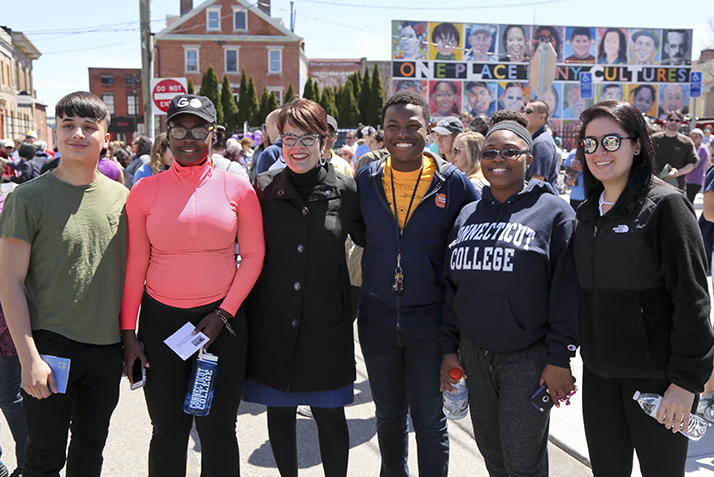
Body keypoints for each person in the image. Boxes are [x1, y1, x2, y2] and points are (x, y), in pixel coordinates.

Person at [120, 94, 265, 476]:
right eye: (179, 128)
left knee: (218, 431)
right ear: (166, 134)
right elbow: (136, 264)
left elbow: (253, 256)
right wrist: (128, 332)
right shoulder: (144, 192)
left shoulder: (238, 189)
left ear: (213, 135)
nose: (188, 137)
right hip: (160, 325)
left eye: (198, 129)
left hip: (222, 325)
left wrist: (223, 313)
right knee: (167, 431)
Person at [573, 100, 714, 477]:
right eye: (590, 143)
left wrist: (685, 383)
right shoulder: (586, 214)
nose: (599, 152)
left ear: (637, 145)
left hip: (659, 382)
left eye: (611, 141)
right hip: (600, 378)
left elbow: (693, 299)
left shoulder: (666, 205)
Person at [0, 91, 129, 477]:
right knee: (44, 458)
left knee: (91, 452)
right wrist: (29, 358)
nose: (78, 134)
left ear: (106, 138)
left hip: (106, 350)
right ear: (55, 134)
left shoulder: (125, 199)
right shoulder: (27, 197)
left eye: (89, 127)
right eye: (68, 125)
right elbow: (9, 281)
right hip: (50, 347)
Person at [441, 120, 578, 477]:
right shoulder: (468, 214)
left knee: (522, 461)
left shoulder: (554, 213)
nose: (497, 159)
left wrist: (560, 357)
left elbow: (568, 291)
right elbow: (452, 289)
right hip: (473, 354)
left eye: (509, 152)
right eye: (488, 153)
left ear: (528, 158)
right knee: (493, 455)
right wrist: (448, 349)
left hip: (527, 358)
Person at [355, 89, 478, 477]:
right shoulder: (367, 179)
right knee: (388, 417)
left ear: (428, 130)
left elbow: (478, 232)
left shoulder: (453, 183)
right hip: (376, 319)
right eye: (393, 126)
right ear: (383, 130)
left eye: (412, 126)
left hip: (430, 323)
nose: (402, 133)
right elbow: (361, 235)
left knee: (428, 420)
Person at [245, 98, 364, 477]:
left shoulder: (345, 191)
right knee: (279, 413)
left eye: (307, 138)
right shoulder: (262, 188)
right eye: (289, 138)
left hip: (325, 325)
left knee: (330, 417)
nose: (296, 148)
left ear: (325, 141)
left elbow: (371, 243)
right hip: (274, 322)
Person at [652, 110, 699, 190]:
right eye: (671, 120)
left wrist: (679, 172)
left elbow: (693, 163)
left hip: (677, 186)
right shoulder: (653, 139)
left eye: (677, 121)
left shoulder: (686, 142)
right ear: (666, 121)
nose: (673, 122)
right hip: (654, 185)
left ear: (681, 124)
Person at [525, 100, 559, 189]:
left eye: (529, 112)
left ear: (542, 116)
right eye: (523, 111)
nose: (524, 114)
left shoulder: (541, 143)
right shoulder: (536, 139)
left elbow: (537, 181)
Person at [685, 128, 711, 203]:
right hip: (686, 179)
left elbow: (695, 161)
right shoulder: (690, 147)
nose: (693, 138)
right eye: (692, 136)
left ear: (701, 138)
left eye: (696, 137)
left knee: (689, 202)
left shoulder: (702, 148)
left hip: (694, 180)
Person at [256, 110, 283, 174]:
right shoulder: (300, 147)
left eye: (267, 128)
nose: (267, 133)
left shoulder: (270, 153)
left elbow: (261, 182)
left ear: (277, 125)